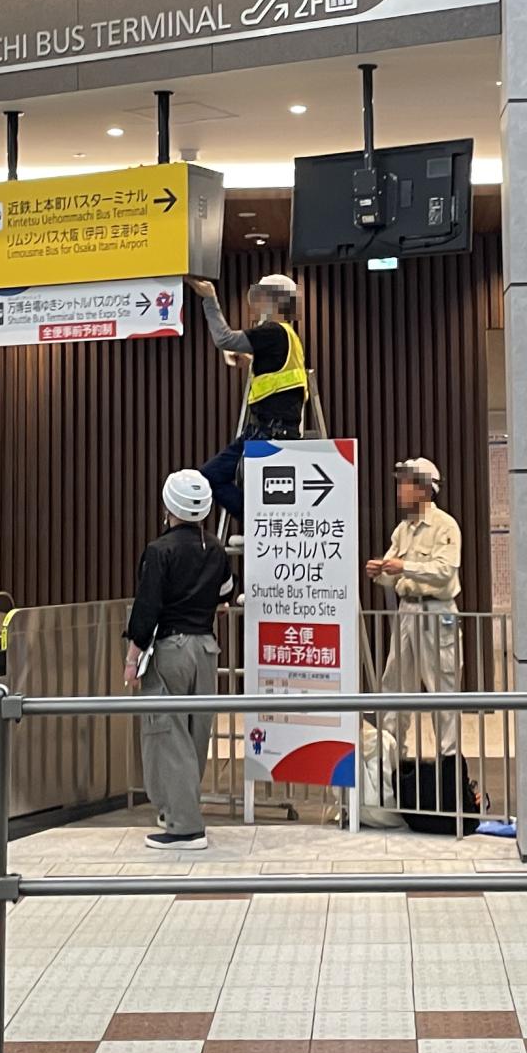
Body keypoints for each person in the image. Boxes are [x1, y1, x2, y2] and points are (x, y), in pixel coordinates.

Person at [124, 468, 234, 851]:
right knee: (194, 734)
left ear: (168, 506)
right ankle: (177, 808)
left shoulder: (159, 551)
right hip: (206, 650)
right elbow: (226, 593)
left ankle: (185, 827)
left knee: (167, 734)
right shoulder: (216, 549)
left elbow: (147, 608)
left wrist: (132, 658)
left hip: (170, 648)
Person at [184, 271, 308, 525]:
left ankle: (255, 523)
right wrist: (250, 360)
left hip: (270, 432)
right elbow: (277, 371)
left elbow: (225, 339)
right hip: (273, 430)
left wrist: (209, 298)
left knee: (214, 477)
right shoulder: (288, 335)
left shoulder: (272, 331)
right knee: (215, 477)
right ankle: (256, 523)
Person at [367, 456, 463, 758]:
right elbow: (391, 575)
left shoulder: (445, 526)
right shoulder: (403, 529)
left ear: (423, 489)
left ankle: (449, 763)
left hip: (437, 612)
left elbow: (444, 570)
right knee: (394, 683)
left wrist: (403, 567)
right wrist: (379, 571)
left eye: (405, 484)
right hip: (407, 611)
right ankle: (391, 756)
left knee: (442, 688)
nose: (400, 490)